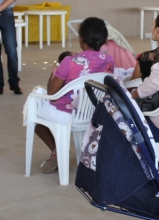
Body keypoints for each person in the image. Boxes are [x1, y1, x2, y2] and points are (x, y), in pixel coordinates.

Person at [36, 18, 114, 173]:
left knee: (35, 114)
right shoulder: (109, 60)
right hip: (93, 111)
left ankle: (58, 150)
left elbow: (52, 91)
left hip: (67, 113)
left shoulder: (69, 61)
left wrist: (56, 66)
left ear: (81, 39)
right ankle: (63, 152)